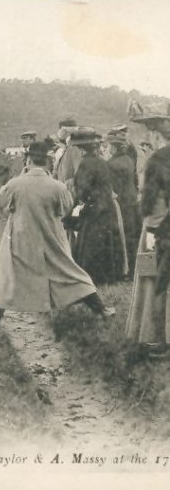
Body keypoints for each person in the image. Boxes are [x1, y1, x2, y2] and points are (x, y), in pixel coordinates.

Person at [0, 141, 114, 328]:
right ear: (47, 161)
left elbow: (1, 202)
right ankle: (101, 309)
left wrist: (20, 177)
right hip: (52, 238)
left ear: (28, 160)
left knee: (6, 274)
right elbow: (66, 208)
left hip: (20, 240)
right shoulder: (57, 186)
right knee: (69, 271)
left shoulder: (16, 184)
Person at [127, 101, 170, 357]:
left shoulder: (157, 161)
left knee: (154, 280)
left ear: (154, 134)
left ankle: (155, 337)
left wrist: (153, 232)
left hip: (160, 228)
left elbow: (151, 202)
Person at [71, 129, 126, 285]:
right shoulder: (102, 161)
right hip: (106, 205)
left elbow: (81, 188)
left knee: (90, 241)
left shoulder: (85, 163)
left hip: (93, 205)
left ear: (82, 148)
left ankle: (92, 276)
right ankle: (108, 276)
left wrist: (82, 201)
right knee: (106, 241)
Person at [106, 130, 141, 275]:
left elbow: (111, 186)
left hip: (120, 202)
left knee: (122, 236)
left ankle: (125, 270)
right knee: (132, 234)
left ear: (113, 147)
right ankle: (134, 268)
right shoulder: (129, 159)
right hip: (131, 199)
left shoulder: (111, 164)